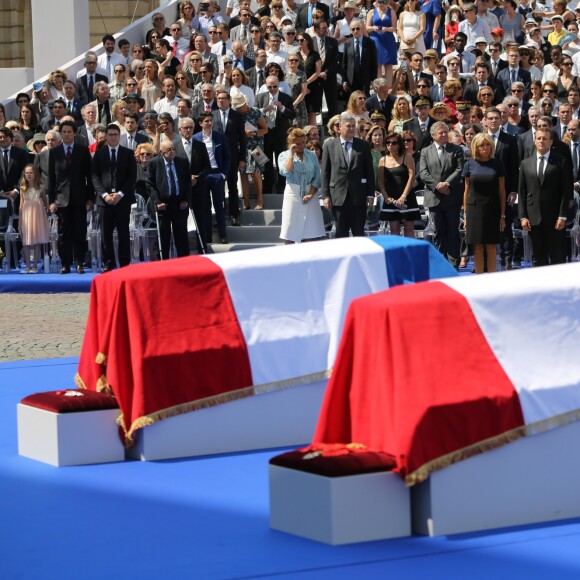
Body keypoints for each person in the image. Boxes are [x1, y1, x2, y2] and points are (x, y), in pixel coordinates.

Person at [519, 128, 572, 266]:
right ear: (535, 141)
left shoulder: (560, 162)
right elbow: (522, 191)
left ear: (551, 141)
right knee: (538, 257)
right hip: (533, 218)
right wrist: (523, 216)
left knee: (557, 256)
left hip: (555, 218)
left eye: (544, 138)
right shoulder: (526, 164)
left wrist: (562, 216)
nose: (541, 141)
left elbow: (566, 191)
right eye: (539, 138)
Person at [47, 120, 94, 274]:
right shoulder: (54, 152)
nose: (66, 134)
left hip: (79, 198)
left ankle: (80, 262)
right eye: (64, 132)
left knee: (80, 232)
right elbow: (51, 179)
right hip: (61, 199)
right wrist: (51, 201)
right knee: (63, 233)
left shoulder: (82, 151)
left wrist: (90, 198)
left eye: (69, 131)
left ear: (74, 133)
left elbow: (89, 176)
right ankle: (65, 264)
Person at [321, 112, 375, 237]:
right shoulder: (329, 145)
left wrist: (370, 194)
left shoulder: (363, 145)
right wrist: (325, 195)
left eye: (353, 126)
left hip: (358, 196)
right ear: (339, 127)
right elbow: (325, 172)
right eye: (348, 126)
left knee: (358, 233)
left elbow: (369, 172)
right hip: (338, 197)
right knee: (340, 233)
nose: (351, 129)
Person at [419, 121, 465, 268]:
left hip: (452, 197)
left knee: (453, 231)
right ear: (433, 135)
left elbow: (459, 169)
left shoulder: (456, 149)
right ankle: (440, 263)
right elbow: (423, 173)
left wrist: (447, 184)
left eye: (446, 132)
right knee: (438, 232)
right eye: (441, 132)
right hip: (434, 197)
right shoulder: (425, 151)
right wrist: (437, 186)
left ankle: (453, 264)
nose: (444, 134)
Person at [91, 123, 137, 272]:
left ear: (119, 136)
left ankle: (124, 263)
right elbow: (95, 176)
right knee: (106, 234)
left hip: (122, 199)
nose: (112, 137)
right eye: (109, 134)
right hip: (104, 201)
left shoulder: (128, 153)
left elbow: (132, 177)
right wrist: (104, 195)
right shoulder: (99, 153)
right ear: (106, 136)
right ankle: (108, 263)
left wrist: (120, 194)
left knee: (124, 232)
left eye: (115, 134)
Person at [462, 133, 506, 274]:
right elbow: (466, 191)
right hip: (474, 210)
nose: (485, 148)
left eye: (487, 144)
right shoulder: (469, 164)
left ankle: (492, 281)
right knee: (478, 247)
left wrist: (502, 216)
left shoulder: (497, 164)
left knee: (491, 247)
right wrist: (465, 215)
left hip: (493, 209)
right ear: (476, 147)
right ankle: (480, 280)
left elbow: (502, 192)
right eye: (481, 145)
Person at [278, 128, 324, 243]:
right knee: (290, 233)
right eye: (298, 144)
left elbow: (317, 177)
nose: (302, 145)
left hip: (310, 194)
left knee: (310, 232)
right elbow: (286, 172)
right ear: (291, 143)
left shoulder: (312, 155)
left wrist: (310, 194)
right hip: (293, 193)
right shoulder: (284, 155)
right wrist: (292, 155)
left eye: (303, 142)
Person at [147, 140, 192, 258]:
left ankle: (184, 262)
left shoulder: (182, 161)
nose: (172, 152)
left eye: (173, 149)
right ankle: (164, 262)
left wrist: (185, 200)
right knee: (163, 235)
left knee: (181, 235)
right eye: (169, 150)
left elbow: (188, 182)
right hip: (163, 204)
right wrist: (157, 202)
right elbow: (150, 185)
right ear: (161, 152)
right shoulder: (153, 163)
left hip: (179, 203)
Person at [193, 112, 231, 244]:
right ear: (200, 123)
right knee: (205, 207)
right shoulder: (195, 138)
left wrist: (223, 174)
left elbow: (227, 156)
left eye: (210, 120)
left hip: (217, 174)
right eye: (206, 121)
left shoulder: (219, 137)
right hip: (203, 175)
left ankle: (223, 234)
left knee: (219, 206)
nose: (209, 123)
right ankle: (207, 236)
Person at [256, 75, 296, 194]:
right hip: (266, 134)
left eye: (275, 86)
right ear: (265, 85)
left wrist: (282, 107)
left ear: (278, 85)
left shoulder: (286, 97)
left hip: (280, 134)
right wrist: (263, 110)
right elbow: (253, 113)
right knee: (266, 161)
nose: (272, 89)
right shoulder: (260, 97)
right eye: (269, 87)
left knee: (282, 161)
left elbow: (292, 115)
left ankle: (281, 186)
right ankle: (268, 186)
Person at [213, 91, 247, 226]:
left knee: (233, 187)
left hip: (232, 157)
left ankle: (234, 215)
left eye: (223, 98)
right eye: (218, 99)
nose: (220, 101)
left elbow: (242, 139)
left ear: (229, 100)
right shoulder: (213, 115)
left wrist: (242, 158)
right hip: (216, 158)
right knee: (218, 188)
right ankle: (219, 216)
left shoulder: (237, 116)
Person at [378, 131, 420, 237]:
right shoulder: (382, 160)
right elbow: (380, 181)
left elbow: (411, 176)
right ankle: (397, 254)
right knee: (394, 230)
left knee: (409, 229)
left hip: (407, 196)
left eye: (394, 143)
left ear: (399, 144)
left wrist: (403, 196)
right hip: (391, 198)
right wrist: (386, 196)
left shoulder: (407, 157)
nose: (390, 145)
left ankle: (410, 253)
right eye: (388, 142)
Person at [17, 164, 49, 274]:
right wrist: (20, 221)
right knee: (26, 241)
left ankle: (35, 266)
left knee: (37, 240)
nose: (29, 175)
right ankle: (28, 266)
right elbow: (21, 205)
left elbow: (45, 202)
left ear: (35, 174)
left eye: (31, 172)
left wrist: (51, 208)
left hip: (38, 215)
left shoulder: (41, 186)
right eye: (26, 173)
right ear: (24, 175)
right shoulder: (22, 188)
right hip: (26, 215)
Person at [342, 19, 378, 96]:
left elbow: (373, 63)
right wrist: (344, 80)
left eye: (357, 28)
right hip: (351, 78)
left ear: (361, 29)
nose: (356, 31)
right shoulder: (347, 43)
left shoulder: (370, 43)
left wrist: (373, 80)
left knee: (364, 100)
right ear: (351, 31)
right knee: (353, 101)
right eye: (353, 29)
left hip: (365, 77)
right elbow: (345, 63)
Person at [366, 0, 397, 86]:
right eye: (379, 2)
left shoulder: (392, 12)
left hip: (388, 39)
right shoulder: (371, 12)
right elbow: (367, 27)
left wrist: (386, 29)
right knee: (377, 64)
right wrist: (373, 27)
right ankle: (378, 88)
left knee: (388, 64)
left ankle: (389, 87)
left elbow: (394, 28)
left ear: (387, 2)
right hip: (376, 39)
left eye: (383, 2)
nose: (381, 4)